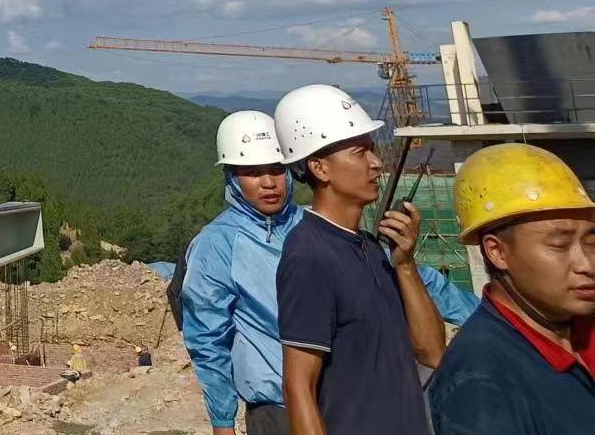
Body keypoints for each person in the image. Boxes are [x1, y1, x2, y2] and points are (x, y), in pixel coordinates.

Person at [181, 110, 475, 435]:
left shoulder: (321, 226)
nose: (268, 183)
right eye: (252, 173)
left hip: (346, 400)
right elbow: (207, 337)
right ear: (232, 178)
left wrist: (484, 317)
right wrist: (223, 422)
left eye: (276, 169)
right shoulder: (218, 245)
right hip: (278, 410)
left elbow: (407, 279)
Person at [275, 84, 446, 435]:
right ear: (320, 168)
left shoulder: (371, 247)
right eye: (359, 152)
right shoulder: (309, 256)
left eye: (372, 149)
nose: (376, 162)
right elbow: (298, 387)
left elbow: (432, 353)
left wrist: (405, 265)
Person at [426, 143, 595, 433]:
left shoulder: (578, 325)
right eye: (559, 244)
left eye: (591, 242)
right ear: (497, 252)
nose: (587, 264)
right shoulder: (481, 384)